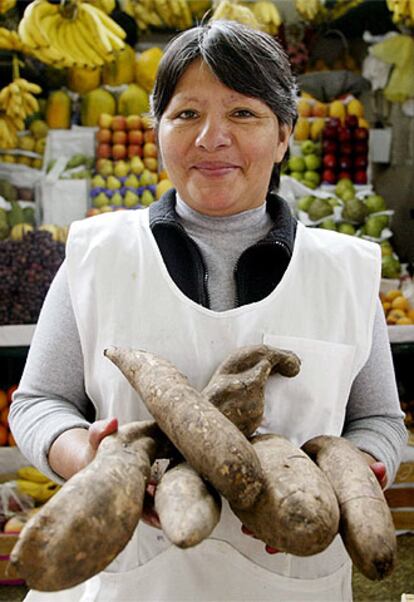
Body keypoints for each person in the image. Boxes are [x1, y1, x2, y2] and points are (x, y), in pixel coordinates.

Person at [9, 20, 407, 602]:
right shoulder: (98, 254)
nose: (211, 138)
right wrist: (89, 460)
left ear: (283, 135)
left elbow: (380, 422)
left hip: (292, 579)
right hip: (129, 578)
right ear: (158, 131)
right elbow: (38, 402)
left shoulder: (344, 270)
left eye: (243, 113)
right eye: (186, 114)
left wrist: (351, 475)